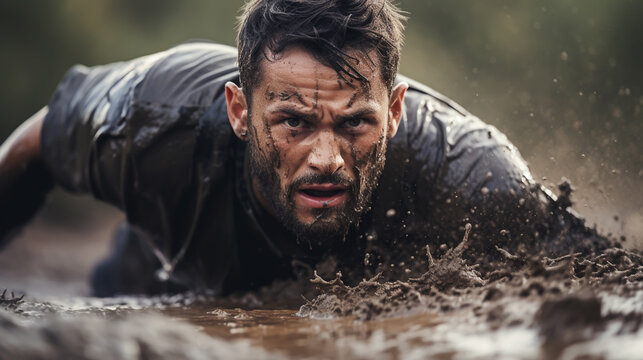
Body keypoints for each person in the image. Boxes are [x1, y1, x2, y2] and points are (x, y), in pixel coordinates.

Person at [0, 0, 607, 296]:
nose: (326, 158)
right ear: (241, 111)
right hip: (167, 260)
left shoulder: (470, 177)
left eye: (354, 124)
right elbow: (38, 142)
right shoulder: (155, 122)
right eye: (293, 123)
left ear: (394, 112)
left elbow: (605, 288)